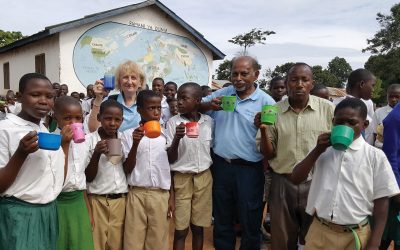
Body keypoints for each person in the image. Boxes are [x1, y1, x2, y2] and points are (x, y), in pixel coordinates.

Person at [289, 98, 399, 250]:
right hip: (320, 229)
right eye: (339, 122)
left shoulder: (375, 156)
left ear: (364, 125)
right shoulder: (322, 150)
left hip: (356, 233)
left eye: (352, 122)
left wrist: (375, 242)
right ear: (333, 122)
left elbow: (382, 201)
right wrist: (316, 151)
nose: (344, 126)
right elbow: (296, 178)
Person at [256, 63, 335, 250]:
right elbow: (268, 153)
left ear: (311, 83)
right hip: (282, 183)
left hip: (317, 182)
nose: (299, 84)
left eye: (304, 79)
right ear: (287, 82)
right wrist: (263, 130)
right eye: (294, 79)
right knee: (281, 239)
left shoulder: (328, 109)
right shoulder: (273, 111)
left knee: (314, 239)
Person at [201, 56, 275, 249]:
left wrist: (263, 127)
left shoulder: (266, 101)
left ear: (256, 74)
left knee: (250, 216)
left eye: (244, 73)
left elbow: (273, 138)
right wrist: (210, 105)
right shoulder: (223, 94)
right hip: (221, 166)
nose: (238, 78)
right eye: (235, 73)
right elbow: (197, 106)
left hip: (249, 170)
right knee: (222, 214)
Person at [0, 73, 71, 250]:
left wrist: (65, 145)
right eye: (35, 94)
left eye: (49, 96)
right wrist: (21, 154)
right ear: (19, 97)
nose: (43, 101)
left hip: (48, 212)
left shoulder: (43, 128)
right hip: (19, 214)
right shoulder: (5, 129)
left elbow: (56, 178)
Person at [122, 90, 174, 250]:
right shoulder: (128, 135)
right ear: (139, 110)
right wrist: (136, 143)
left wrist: (171, 196)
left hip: (160, 195)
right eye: (151, 108)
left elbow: (170, 166)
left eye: (158, 108)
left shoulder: (166, 134)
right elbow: (127, 168)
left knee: (158, 241)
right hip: (136, 193)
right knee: (133, 240)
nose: (156, 112)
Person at [166, 82, 214, 250]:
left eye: (184, 98)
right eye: (178, 98)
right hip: (182, 179)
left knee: (198, 228)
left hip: (204, 178)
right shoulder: (173, 123)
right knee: (180, 230)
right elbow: (170, 158)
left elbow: (212, 151)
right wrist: (177, 138)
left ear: (197, 100)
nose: (179, 102)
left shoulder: (208, 122)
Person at [85, 99, 128, 250]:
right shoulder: (89, 141)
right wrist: (96, 154)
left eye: (117, 119)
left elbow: (129, 169)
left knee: (117, 244)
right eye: (108, 118)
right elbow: (88, 177)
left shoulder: (125, 139)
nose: (112, 123)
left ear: (122, 121)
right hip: (97, 201)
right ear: (99, 118)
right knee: (96, 244)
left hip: (120, 202)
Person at [53, 96, 94, 250]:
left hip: (79, 203)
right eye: (67, 118)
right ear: (56, 119)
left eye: (78, 118)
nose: (73, 123)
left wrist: (88, 211)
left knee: (81, 244)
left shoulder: (83, 143)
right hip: (58, 203)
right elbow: (55, 180)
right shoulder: (52, 141)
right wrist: (64, 144)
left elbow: (80, 178)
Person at [88, 60, 146, 132]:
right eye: (125, 77)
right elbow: (93, 130)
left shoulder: (146, 103)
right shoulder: (109, 101)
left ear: (140, 82)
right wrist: (98, 98)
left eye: (133, 78)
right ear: (119, 81)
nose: (129, 82)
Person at [334, 69, 376, 145]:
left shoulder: (368, 103)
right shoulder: (339, 104)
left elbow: (371, 127)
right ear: (362, 84)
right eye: (372, 85)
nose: (373, 90)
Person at [381, 102, 400, 249]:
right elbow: (390, 156)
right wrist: (396, 189)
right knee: (387, 234)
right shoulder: (395, 118)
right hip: (396, 187)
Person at [370, 84, 400, 148]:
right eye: (390, 96)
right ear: (387, 96)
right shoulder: (379, 112)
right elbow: (374, 133)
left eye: (397, 97)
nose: (393, 99)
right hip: (381, 149)